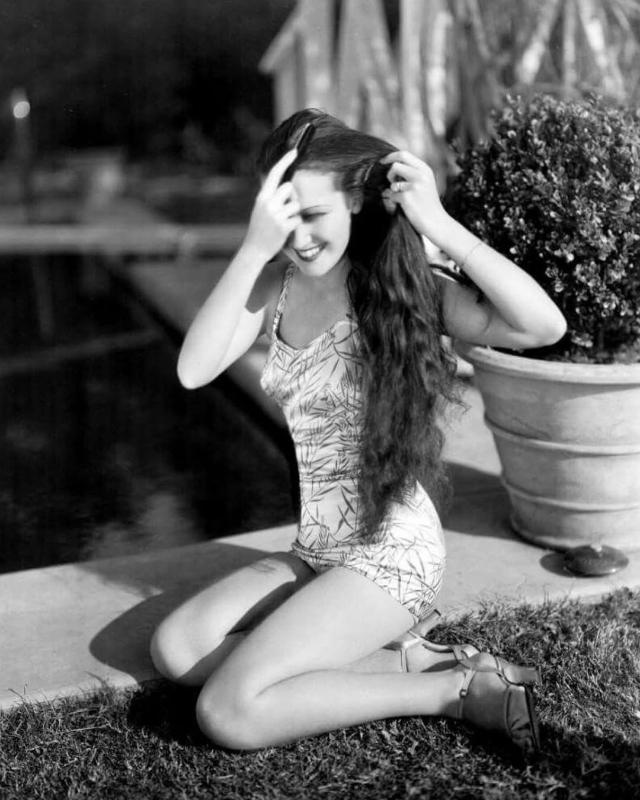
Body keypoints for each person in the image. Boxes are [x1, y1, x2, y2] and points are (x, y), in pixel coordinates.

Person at [150, 109, 567, 752]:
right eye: (283, 218)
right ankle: (406, 656)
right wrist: (254, 248)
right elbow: (191, 370)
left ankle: (452, 689)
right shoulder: (275, 286)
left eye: (313, 214)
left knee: (228, 711)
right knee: (177, 650)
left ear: (353, 199)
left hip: (391, 553)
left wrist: (438, 223)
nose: (299, 238)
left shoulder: (401, 290)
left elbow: (543, 326)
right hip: (317, 548)